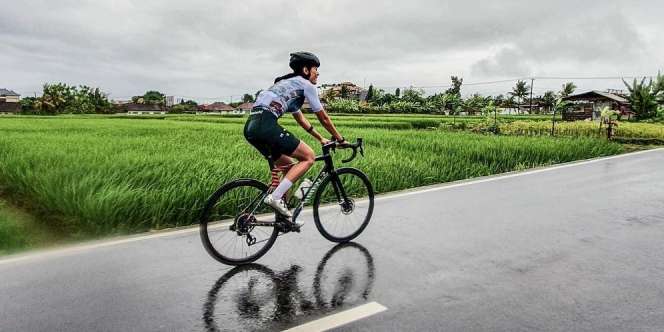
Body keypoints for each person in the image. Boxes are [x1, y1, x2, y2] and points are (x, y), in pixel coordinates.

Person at [244, 52, 345, 218]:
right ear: (306, 70)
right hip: (266, 124)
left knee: (290, 169)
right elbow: (324, 118)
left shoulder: (288, 85)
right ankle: (275, 198)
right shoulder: (306, 85)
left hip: (251, 128)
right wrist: (340, 139)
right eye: (315, 69)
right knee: (309, 157)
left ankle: (283, 216)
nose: (317, 73)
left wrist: (320, 138)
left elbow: (302, 120)